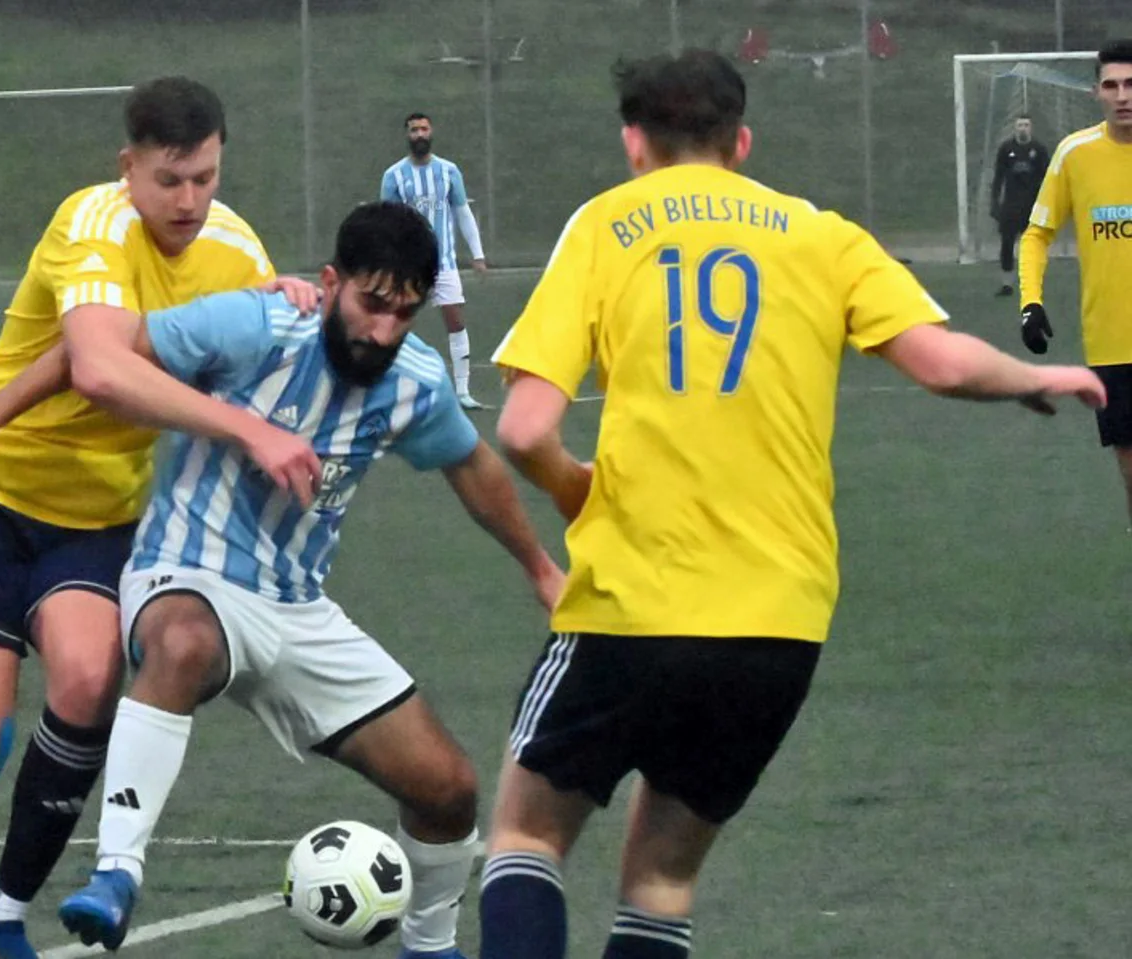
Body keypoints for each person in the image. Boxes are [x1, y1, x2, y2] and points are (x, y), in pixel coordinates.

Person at [479, 50, 1104, 959]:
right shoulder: (821, 235)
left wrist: (580, 490)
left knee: (527, 836)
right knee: (661, 882)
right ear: (742, 142)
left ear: (633, 143)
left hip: (633, 603)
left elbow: (525, 428)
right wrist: (1034, 375)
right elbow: (940, 362)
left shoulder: (606, 225)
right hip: (776, 627)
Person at [4, 201, 562, 959]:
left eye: (405, 313)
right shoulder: (255, 328)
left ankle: (430, 947)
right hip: (186, 572)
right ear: (331, 283)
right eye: (372, 303)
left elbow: (472, 466)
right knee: (184, 643)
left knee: (448, 788)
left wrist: (540, 568)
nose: (384, 331)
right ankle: (116, 873)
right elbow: (99, 353)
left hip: (298, 608)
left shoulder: (415, 382)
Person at [0, 76, 322, 959]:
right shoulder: (92, 222)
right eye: (169, 179)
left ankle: (4, 917)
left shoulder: (237, 251)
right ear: (128, 167)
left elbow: (261, 358)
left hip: (98, 519)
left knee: (89, 684)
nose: (189, 201)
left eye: (205, 178)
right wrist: (246, 428)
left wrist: (290, 311)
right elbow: (94, 364)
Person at [1018, 39, 1132, 532]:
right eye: (1112, 85)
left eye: (1131, 84)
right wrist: (1031, 303)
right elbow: (1036, 235)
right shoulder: (1075, 154)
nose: (1123, 95)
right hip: (1113, 343)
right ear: (1096, 92)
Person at [382, 112, 491, 409]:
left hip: (444, 264)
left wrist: (478, 255)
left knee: (456, 322)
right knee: (397, 323)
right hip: (409, 266)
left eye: (423, 129)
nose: (419, 134)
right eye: (414, 130)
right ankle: (394, 391)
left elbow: (462, 213)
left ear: (431, 132)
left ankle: (463, 391)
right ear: (407, 135)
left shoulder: (449, 171)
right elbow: (387, 222)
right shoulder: (394, 176)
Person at [989, 114, 1049, 297]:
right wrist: (994, 202)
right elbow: (998, 177)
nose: (1023, 128)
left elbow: (1048, 179)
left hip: (1032, 206)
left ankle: (1032, 282)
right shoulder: (1006, 149)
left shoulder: (1039, 149)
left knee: (1031, 246)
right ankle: (1007, 284)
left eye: (1026, 125)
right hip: (1010, 205)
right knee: (1007, 244)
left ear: (1031, 127)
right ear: (1015, 128)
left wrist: (1046, 204)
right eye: (1020, 125)